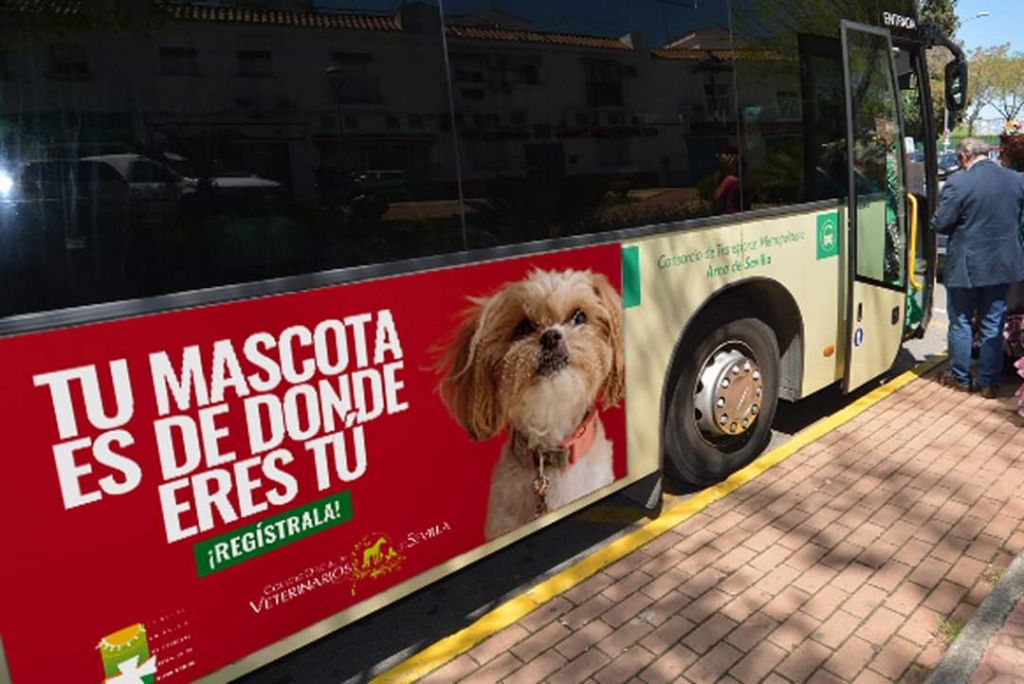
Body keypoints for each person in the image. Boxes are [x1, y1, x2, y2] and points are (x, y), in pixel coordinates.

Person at [932, 137, 1024, 397]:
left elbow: (941, 223)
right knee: (994, 322)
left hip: (966, 266)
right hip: (1003, 265)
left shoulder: (959, 182)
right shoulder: (1016, 180)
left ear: (963, 157)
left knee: (960, 320)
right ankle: (989, 382)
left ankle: (961, 378)